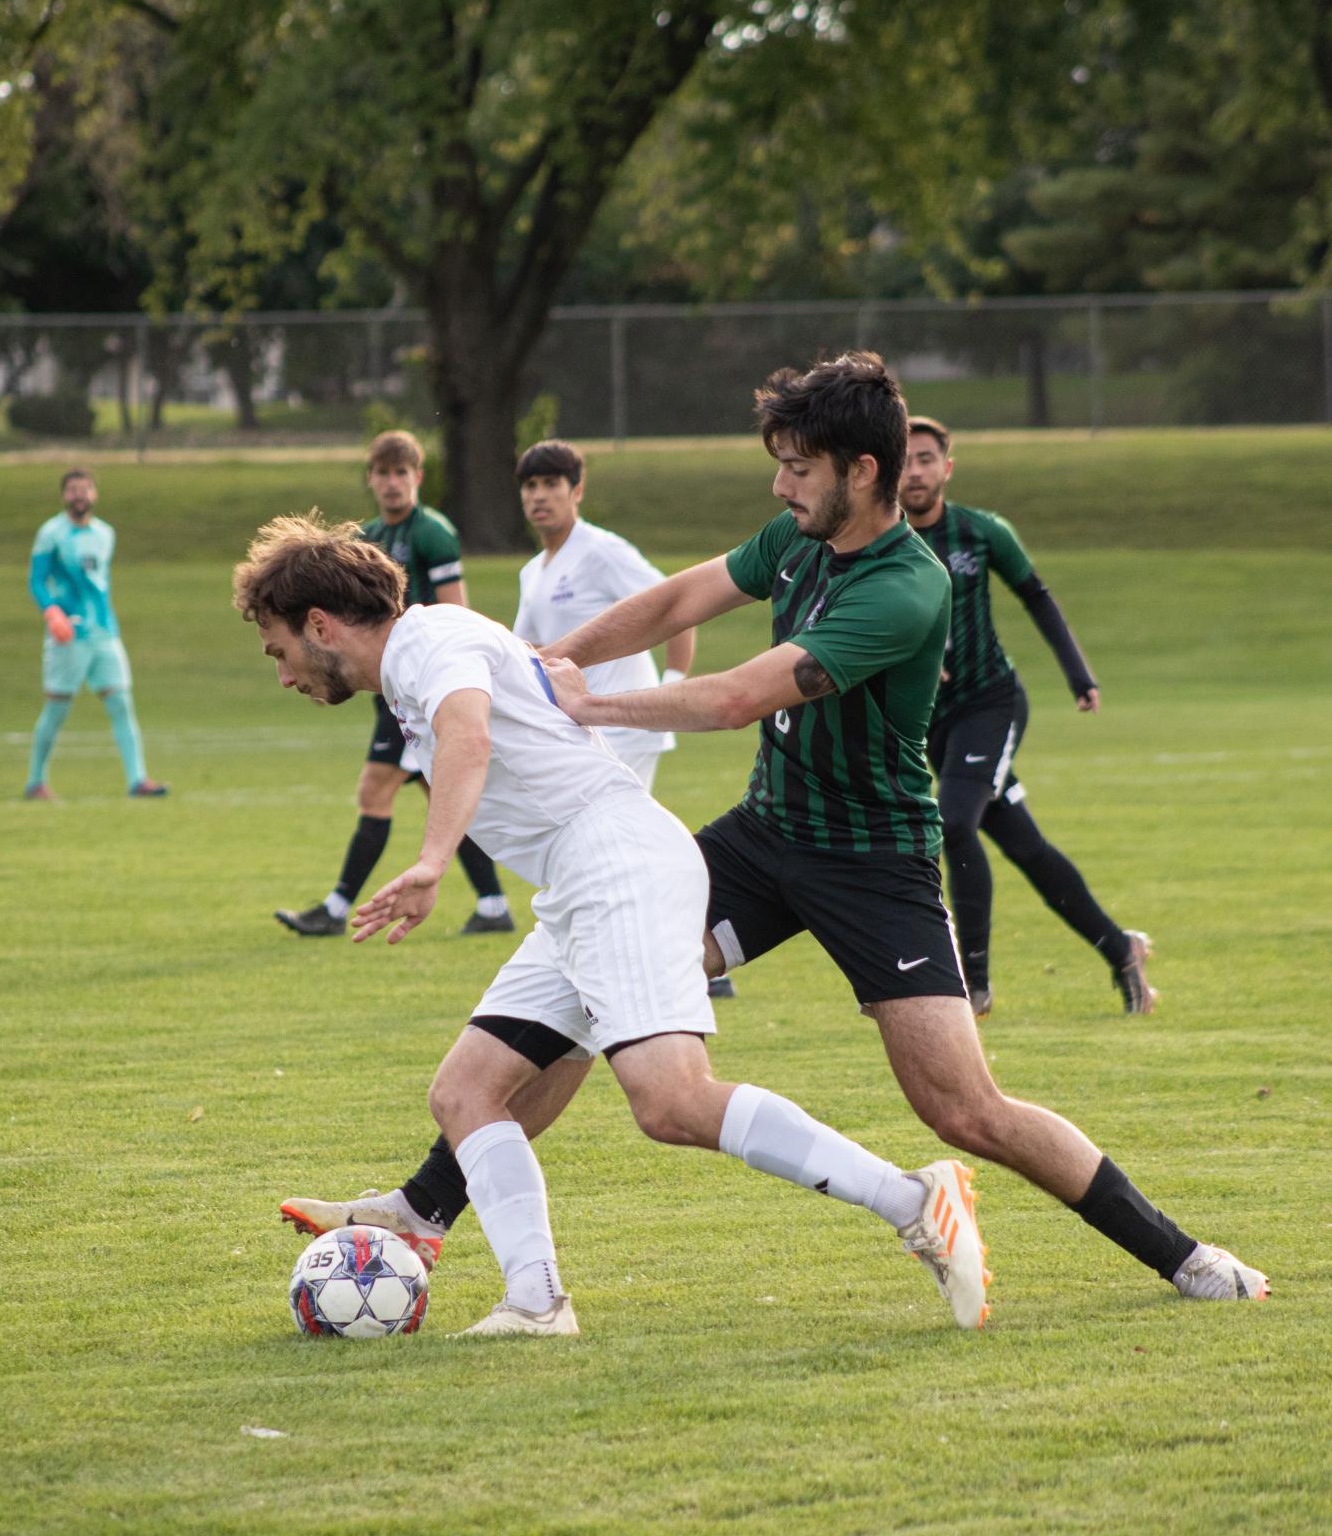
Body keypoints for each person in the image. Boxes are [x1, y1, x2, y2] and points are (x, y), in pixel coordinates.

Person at [538, 351, 1268, 1307]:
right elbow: (679, 599)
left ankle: (1186, 1256)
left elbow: (735, 701)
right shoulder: (793, 538)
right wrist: (552, 656)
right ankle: (425, 1211)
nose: (780, 484)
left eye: (798, 467)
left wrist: (586, 706)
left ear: (861, 471)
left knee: (965, 1108)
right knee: (588, 975)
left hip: (876, 868)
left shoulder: (906, 586)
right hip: (763, 838)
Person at [234, 510, 996, 1337]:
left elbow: (468, 733)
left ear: (320, 624)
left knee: (671, 1102)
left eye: (278, 649)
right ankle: (528, 1295)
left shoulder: (425, 645)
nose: (282, 674)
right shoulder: (431, 645)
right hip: (583, 877)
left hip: (617, 862)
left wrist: (431, 858)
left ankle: (914, 1199)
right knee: (465, 1091)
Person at [901, 416, 1154, 1019]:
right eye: (905, 460)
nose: (915, 471)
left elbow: (1036, 596)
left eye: (926, 458)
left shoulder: (981, 531)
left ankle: (974, 986)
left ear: (947, 467)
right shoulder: (885, 542)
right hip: (932, 721)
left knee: (955, 824)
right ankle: (1121, 949)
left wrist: (1078, 674)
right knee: (1025, 845)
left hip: (991, 703)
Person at [513, 436, 734, 1001]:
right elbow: (529, 649)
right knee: (628, 837)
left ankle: (687, 952)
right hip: (582, 727)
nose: (539, 497)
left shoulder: (603, 551)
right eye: (530, 486)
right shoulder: (533, 571)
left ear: (577, 490)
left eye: (551, 485)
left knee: (623, 836)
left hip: (626, 722)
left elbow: (674, 606)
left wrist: (673, 684)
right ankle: (682, 949)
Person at [272, 429, 512, 938]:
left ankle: (338, 907)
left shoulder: (434, 533)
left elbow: (456, 610)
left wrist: (441, 668)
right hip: (391, 684)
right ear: (371, 479)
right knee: (442, 791)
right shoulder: (365, 539)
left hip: (425, 681)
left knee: (376, 790)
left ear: (418, 478)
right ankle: (493, 905)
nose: (392, 483)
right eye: (382, 473)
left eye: (401, 472)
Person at [24, 467, 168, 801]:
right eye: (73, 489)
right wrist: (52, 611)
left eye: (85, 489)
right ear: (64, 495)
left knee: (121, 702)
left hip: (105, 633)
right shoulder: (51, 533)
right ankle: (35, 782)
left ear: (94, 494)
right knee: (57, 706)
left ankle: (137, 780)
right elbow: (36, 580)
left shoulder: (106, 533)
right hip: (68, 633)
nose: (79, 495)